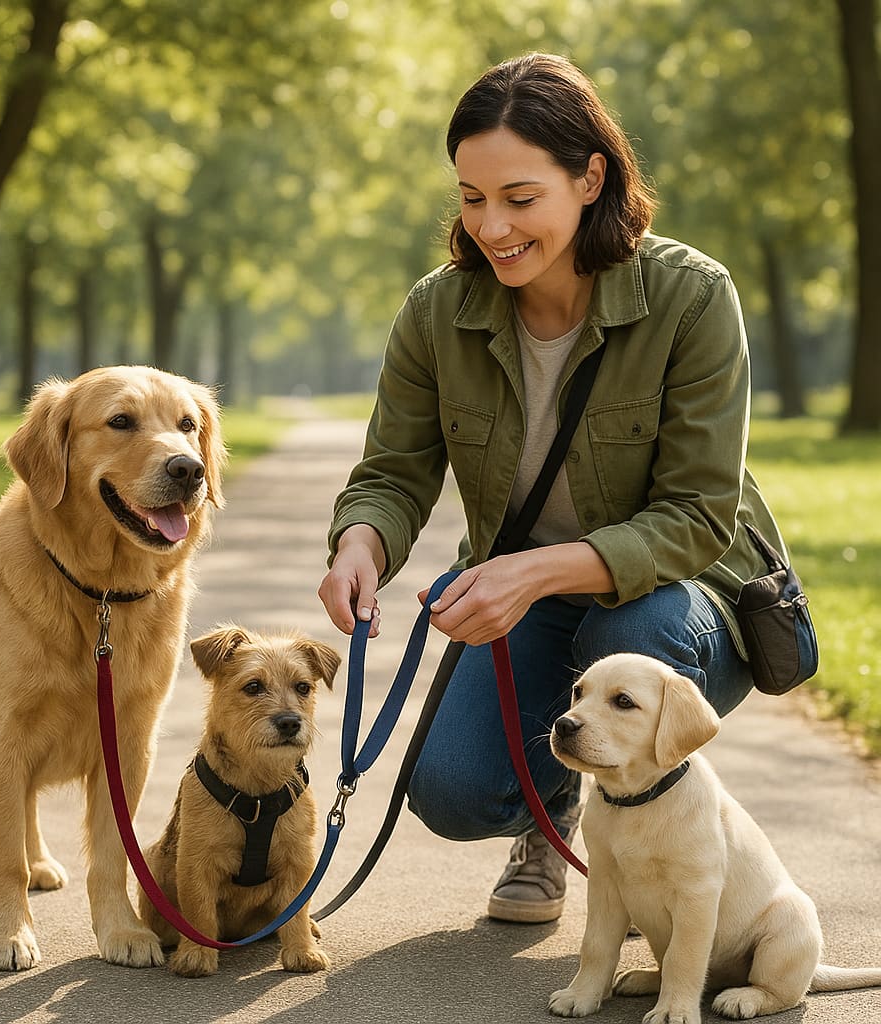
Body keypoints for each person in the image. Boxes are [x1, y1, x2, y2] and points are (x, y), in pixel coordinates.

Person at [318, 52, 789, 924]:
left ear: (590, 177)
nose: (491, 226)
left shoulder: (690, 297)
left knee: (632, 629)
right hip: (524, 594)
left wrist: (532, 573)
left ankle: (654, 850)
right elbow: (393, 472)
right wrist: (360, 545)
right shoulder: (436, 312)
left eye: (519, 199)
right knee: (450, 792)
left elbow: (695, 519)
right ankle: (555, 807)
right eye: (471, 197)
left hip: (676, 599)